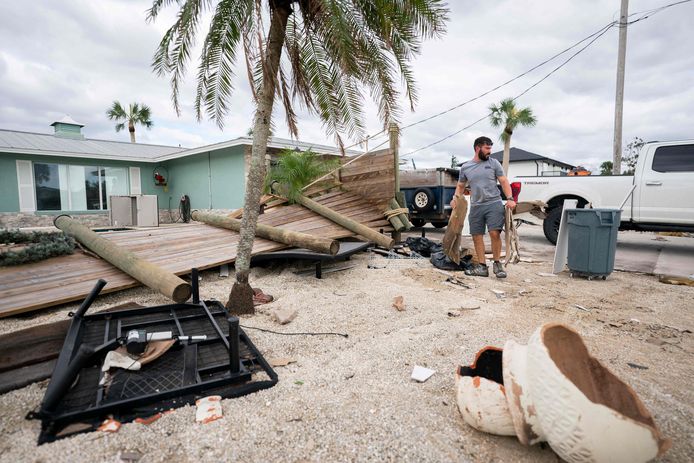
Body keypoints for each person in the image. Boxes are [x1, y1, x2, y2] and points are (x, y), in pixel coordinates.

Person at [451, 136, 516, 277]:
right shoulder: (466, 167)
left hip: (493, 203)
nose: (489, 151)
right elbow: (461, 185)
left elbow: (504, 181)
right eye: (487, 148)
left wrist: (510, 198)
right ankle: (482, 267)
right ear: (477, 148)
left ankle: (497, 264)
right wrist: (455, 198)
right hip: (476, 206)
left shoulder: (494, 164)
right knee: (476, 236)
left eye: (490, 148)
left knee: (494, 233)